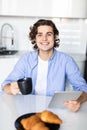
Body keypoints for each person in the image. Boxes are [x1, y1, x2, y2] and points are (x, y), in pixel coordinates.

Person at [1, 19, 87, 112]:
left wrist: (77, 101)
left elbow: (83, 89)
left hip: (55, 110)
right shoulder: (26, 60)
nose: (44, 38)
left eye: (49, 34)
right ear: (35, 38)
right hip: (28, 108)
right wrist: (10, 88)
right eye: (40, 35)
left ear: (55, 37)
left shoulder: (66, 61)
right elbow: (4, 86)